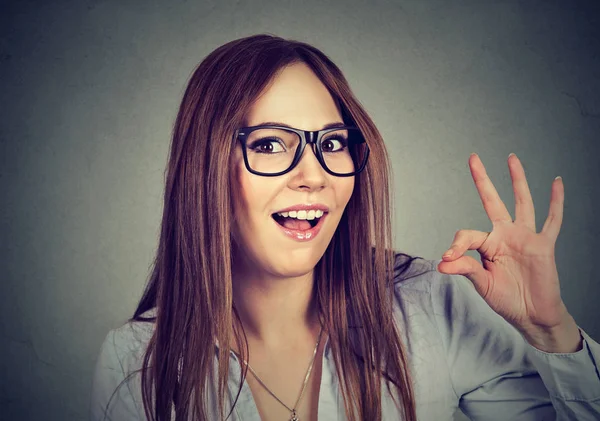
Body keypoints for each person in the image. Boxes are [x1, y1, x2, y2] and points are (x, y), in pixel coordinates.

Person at [90, 34, 600, 421]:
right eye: (269, 144)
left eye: (332, 143)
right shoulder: (139, 363)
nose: (314, 176)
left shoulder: (430, 307)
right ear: (205, 166)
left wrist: (550, 331)